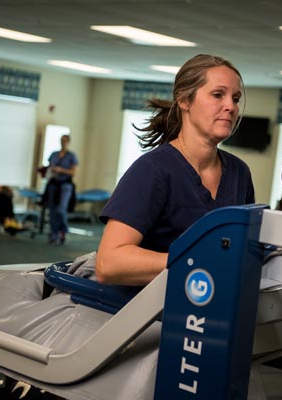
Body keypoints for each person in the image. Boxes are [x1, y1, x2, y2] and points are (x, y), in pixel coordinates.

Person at [96, 54, 255, 286]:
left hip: (214, 305)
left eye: (236, 98)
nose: (230, 106)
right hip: (150, 313)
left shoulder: (239, 173)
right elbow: (109, 264)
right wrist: (194, 260)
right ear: (184, 101)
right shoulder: (153, 170)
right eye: (218, 95)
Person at [46, 134, 78, 244]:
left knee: (61, 209)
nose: (63, 143)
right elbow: (49, 167)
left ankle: (63, 231)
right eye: (61, 140)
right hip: (53, 184)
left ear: (68, 142)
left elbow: (73, 172)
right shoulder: (54, 154)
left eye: (65, 141)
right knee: (52, 210)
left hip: (65, 185)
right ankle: (53, 233)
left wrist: (60, 170)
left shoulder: (71, 156)